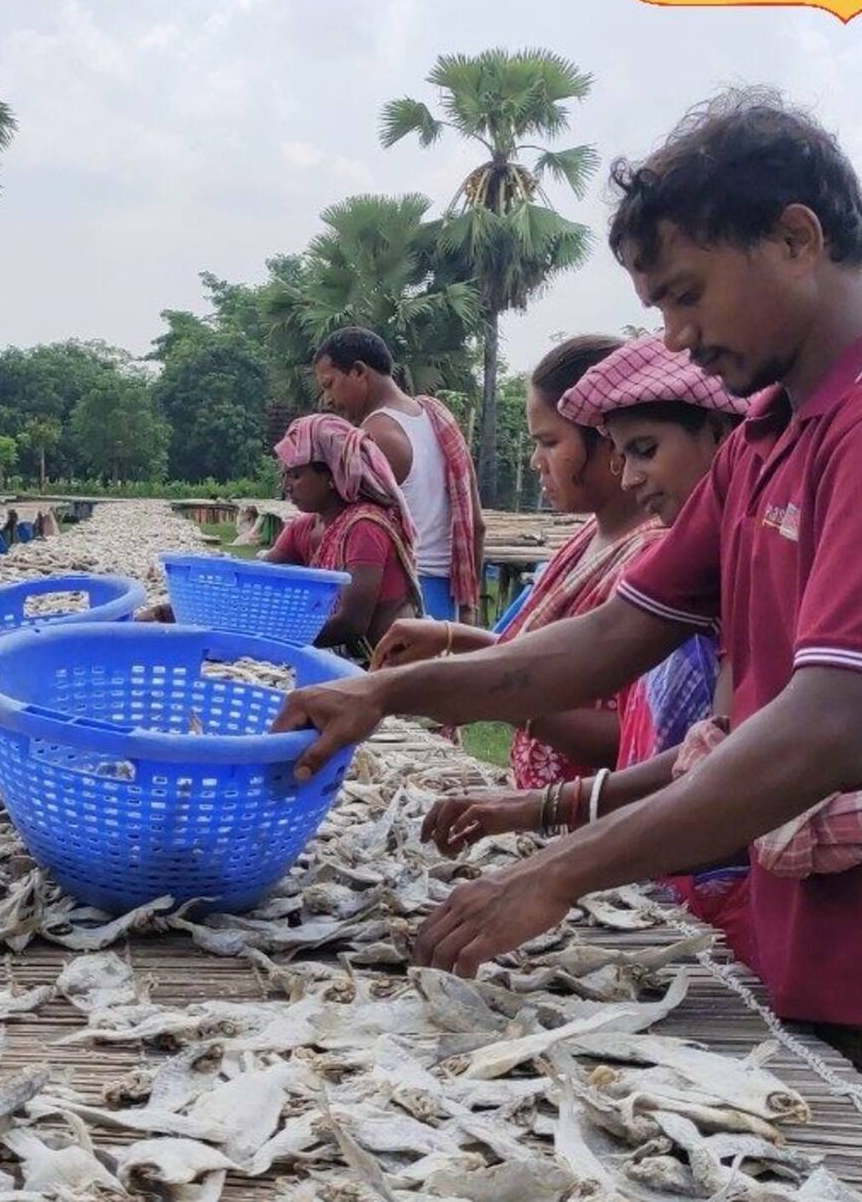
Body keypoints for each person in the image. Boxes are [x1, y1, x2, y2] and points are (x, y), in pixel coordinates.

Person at [274, 92, 862, 1201]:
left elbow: (829, 729)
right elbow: (603, 640)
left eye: (684, 296)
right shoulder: (767, 440)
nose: (675, 337)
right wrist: (383, 695)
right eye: (656, 307)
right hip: (806, 929)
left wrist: (556, 870)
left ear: (797, 238)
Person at [402, 334, 757, 963]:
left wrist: (550, 840)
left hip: (696, 879)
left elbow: (713, 765)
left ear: (722, 436)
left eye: (644, 450)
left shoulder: (691, 562)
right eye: (626, 452)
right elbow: (689, 753)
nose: (630, 472)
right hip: (639, 862)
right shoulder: (667, 555)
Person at [374, 337, 661, 790]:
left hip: (588, 823)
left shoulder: (652, 557)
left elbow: (633, 734)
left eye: (549, 442)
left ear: (612, 444)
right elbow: (563, 660)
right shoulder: (593, 533)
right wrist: (454, 638)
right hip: (536, 805)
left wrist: (494, 698)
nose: (535, 462)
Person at [312, 329, 484, 620]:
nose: (327, 399)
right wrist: (468, 607)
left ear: (358, 371)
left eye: (330, 385)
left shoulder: (373, 436)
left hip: (398, 601)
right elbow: (476, 525)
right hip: (444, 599)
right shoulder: (439, 423)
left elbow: (350, 533)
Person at [260, 414, 423, 662]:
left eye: (295, 475)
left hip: (389, 666)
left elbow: (351, 623)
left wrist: (273, 640)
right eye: (285, 475)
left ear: (332, 476)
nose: (287, 486)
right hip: (347, 659)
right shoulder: (305, 527)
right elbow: (261, 578)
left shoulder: (365, 528)